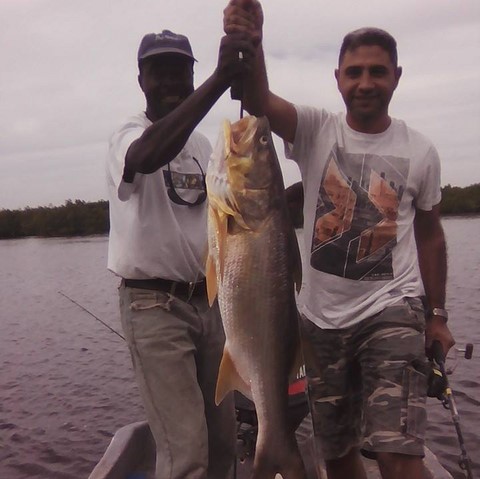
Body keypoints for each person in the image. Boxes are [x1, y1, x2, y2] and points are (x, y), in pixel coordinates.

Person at [223, 2, 456, 479]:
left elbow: (430, 236)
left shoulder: (420, 150)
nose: (365, 82)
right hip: (319, 322)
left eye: (377, 71)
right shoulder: (315, 130)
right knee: (336, 452)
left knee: (397, 452)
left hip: (392, 309)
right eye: (354, 72)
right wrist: (256, 38)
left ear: (396, 76)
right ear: (337, 77)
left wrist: (437, 315)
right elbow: (259, 100)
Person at [105, 29, 256, 479]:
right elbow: (147, 156)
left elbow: (230, 213)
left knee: (223, 442)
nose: (171, 80)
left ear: (190, 76)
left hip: (210, 304)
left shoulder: (205, 147)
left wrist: (295, 193)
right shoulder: (127, 136)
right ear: (141, 80)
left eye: (180, 71)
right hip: (153, 305)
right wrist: (219, 80)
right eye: (160, 71)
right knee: (186, 452)